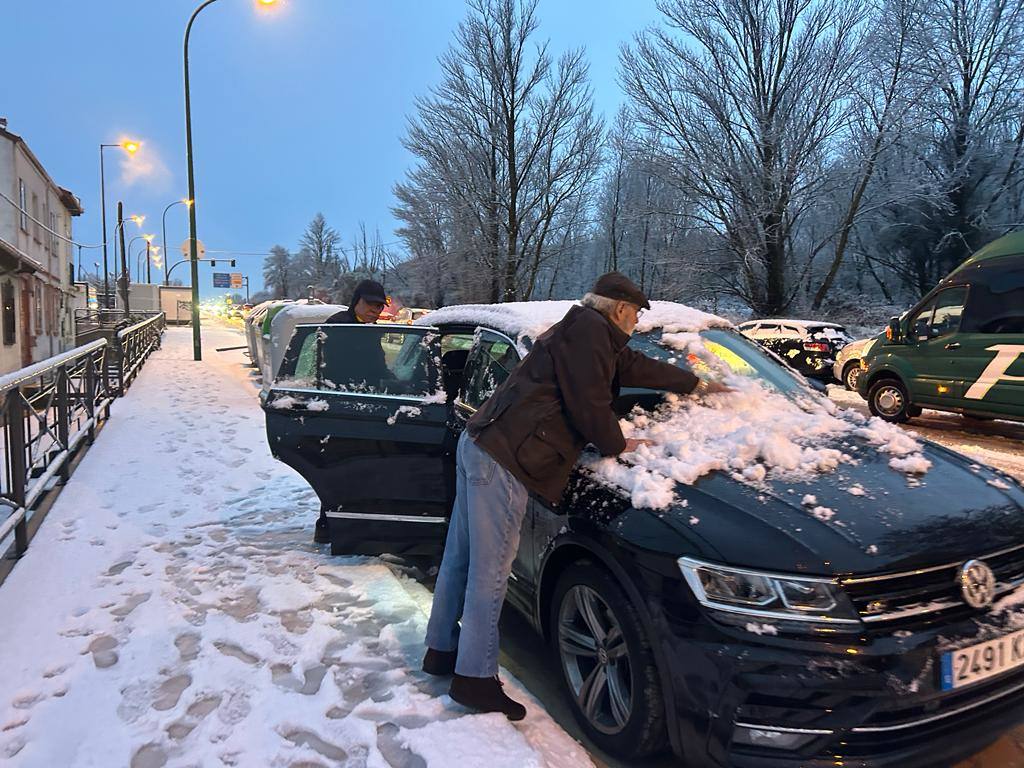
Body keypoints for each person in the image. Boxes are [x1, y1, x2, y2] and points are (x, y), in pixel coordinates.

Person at [422, 272, 730, 720]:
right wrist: (616, 443)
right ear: (622, 310)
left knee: (461, 557)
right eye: (636, 314)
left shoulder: (586, 332)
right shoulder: (589, 335)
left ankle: (440, 651)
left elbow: (635, 368)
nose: (636, 322)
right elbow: (589, 403)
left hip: (482, 444)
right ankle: (474, 678)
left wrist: (694, 384)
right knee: (491, 572)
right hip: (506, 458)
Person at [314, 280, 390, 545]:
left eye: (380, 305)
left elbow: (377, 367)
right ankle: (329, 528)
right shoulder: (341, 325)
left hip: (364, 408)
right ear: (356, 300)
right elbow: (334, 369)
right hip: (342, 409)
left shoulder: (370, 329)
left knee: (359, 471)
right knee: (339, 472)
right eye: (371, 304)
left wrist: (395, 382)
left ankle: (350, 525)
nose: (376, 310)